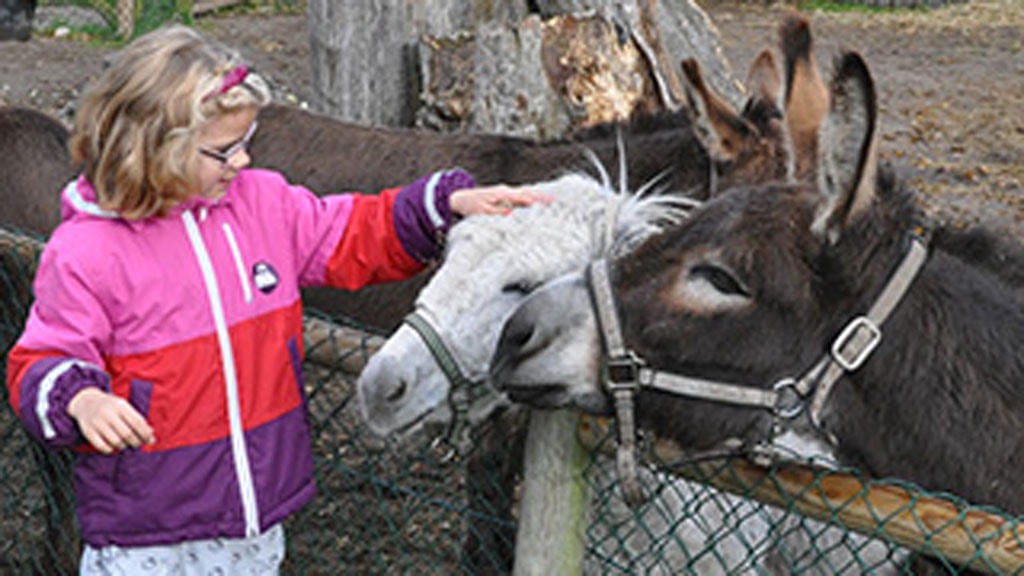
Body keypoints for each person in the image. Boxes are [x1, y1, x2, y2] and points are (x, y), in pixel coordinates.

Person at [5, 24, 547, 575]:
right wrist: (81, 400)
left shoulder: (262, 204)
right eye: (223, 151)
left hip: (255, 515)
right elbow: (40, 361)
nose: (242, 161)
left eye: (246, 143)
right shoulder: (88, 252)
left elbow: (350, 230)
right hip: (147, 528)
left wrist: (437, 206)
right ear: (155, 147)